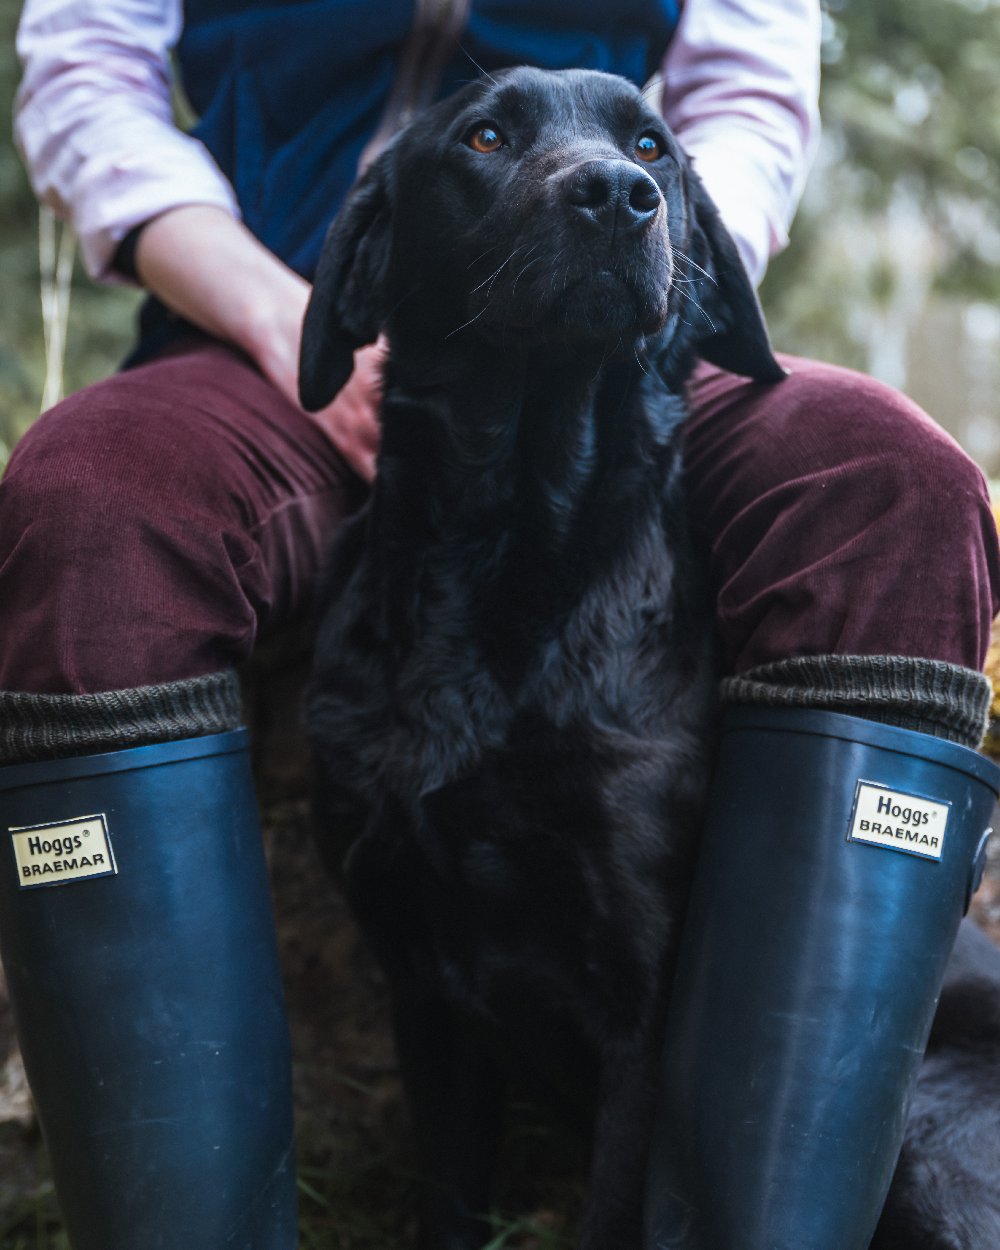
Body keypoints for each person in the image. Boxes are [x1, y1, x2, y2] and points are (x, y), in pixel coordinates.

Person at [3, 2, 998, 1248]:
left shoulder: (645, 206)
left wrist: (663, 269)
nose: (604, 176)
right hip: (264, 333)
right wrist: (276, 308)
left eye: (630, 164)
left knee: (891, 479)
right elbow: (86, 77)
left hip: (640, 352)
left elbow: (747, 95)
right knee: (92, 505)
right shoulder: (305, 297)